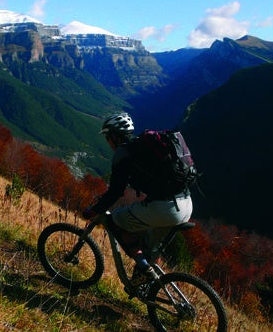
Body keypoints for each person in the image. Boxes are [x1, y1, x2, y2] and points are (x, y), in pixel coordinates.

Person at [82, 113, 193, 286]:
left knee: (114, 221)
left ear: (114, 137)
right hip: (185, 203)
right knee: (149, 248)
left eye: (107, 137)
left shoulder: (123, 153)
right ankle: (143, 284)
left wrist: (94, 210)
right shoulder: (143, 147)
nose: (107, 142)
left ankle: (143, 267)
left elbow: (116, 191)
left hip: (166, 208)